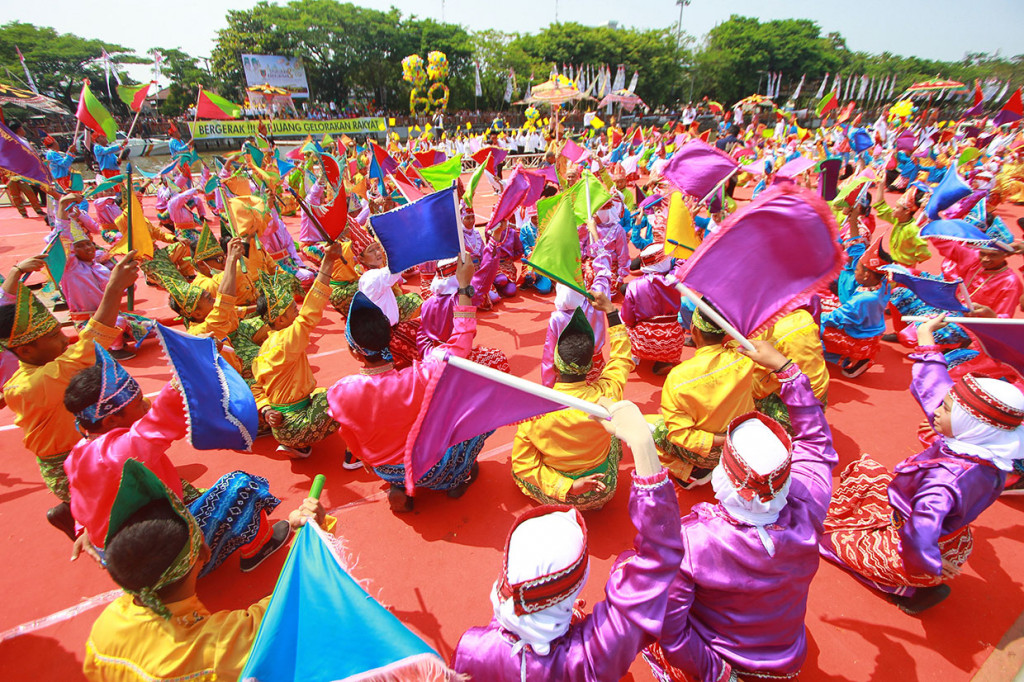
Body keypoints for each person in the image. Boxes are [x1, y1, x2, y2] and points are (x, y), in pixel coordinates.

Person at [643, 338, 839, 681]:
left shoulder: (694, 540)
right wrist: (786, 370)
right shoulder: (810, 503)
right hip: (788, 660)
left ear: (724, 475)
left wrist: (719, 674)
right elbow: (817, 443)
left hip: (727, 664)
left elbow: (671, 631)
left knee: (638, 588)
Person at [453, 398, 683, 680]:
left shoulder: (471, 648)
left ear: (505, 576)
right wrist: (643, 443)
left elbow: (523, 463)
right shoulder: (595, 653)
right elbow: (660, 562)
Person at [819, 314, 1022, 614]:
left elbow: (921, 530)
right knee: (864, 471)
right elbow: (935, 388)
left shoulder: (948, 479)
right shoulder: (979, 443)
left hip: (920, 545)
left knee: (826, 539)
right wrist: (926, 335)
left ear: (970, 422)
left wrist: (930, 564)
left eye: (947, 409)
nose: (937, 410)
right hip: (943, 532)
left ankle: (909, 586)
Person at [81, 459, 326, 681]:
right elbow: (303, 598)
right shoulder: (222, 646)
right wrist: (311, 531)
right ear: (204, 553)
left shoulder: (106, 626)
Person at [62, 344, 289, 572]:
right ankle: (258, 547)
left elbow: (82, 498)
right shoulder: (117, 453)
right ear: (109, 421)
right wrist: (194, 363)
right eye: (139, 403)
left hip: (133, 556)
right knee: (240, 485)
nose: (146, 405)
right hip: (165, 564)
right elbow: (161, 420)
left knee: (188, 491)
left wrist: (84, 529)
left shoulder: (80, 452)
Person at [328, 258, 490, 511]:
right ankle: (459, 476)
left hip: (383, 467)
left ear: (354, 352)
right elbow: (462, 339)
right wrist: (464, 286)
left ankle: (400, 484)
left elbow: (350, 436)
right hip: (428, 466)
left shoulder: (340, 393)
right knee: (477, 412)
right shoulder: (419, 376)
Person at [0, 253, 137, 539]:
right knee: (149, 495)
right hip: (68, 468)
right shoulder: (38, 382)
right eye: (54, 336)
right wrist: (114, 287)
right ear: (25, 351)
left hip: (80, 451)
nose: (65, 338)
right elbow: (92, 340)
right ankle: (84, 515)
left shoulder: (28, 376)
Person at [512, 295, 633, 510]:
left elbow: (523, 465)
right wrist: (611, 312)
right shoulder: (608, 393)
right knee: (615, 431)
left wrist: (568, 485)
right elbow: (622, 359)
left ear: (556, 364)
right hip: (604, 488)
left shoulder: (535, 411)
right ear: (589, 367)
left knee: (518, 468)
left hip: (564, 494)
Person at [651, 305, 763, 488]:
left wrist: (722, 439)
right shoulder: (745, 355)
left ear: (694, 330)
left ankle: (690, 473)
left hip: (711, 451)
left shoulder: (679, 377)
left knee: (654, 428)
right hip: (744, 441)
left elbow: (681, 435)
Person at [251, 243, 344, 457]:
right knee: (345, 395)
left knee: (322, 393)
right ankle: (355, 451)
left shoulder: (266, 345)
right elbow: (311, 311)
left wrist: (265, 409)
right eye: (293, 309)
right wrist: (328, 262)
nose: (298, 311)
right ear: (280, 319)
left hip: (281, 425)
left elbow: (256, 386)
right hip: (296, 424)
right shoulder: (286, 340)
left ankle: (296, 445)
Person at [820, 235, 892, 378]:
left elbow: (836, 318)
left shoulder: (864, 299)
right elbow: (857, 251)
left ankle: (850, 360)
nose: (855, 271)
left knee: (813, 328)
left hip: (859, 336)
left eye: (857, 270)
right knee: (826, 303)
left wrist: (813, 316)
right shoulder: (881, 283)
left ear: (866, 275)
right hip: (870, 328)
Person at [621, 244, 683, 376]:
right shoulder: (675, 280)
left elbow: (628, 317)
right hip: (672, 338)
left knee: (623, 325)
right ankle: (664, 362)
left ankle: (634, 357)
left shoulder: (634, 286)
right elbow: (681, 263)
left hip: (645, 339)